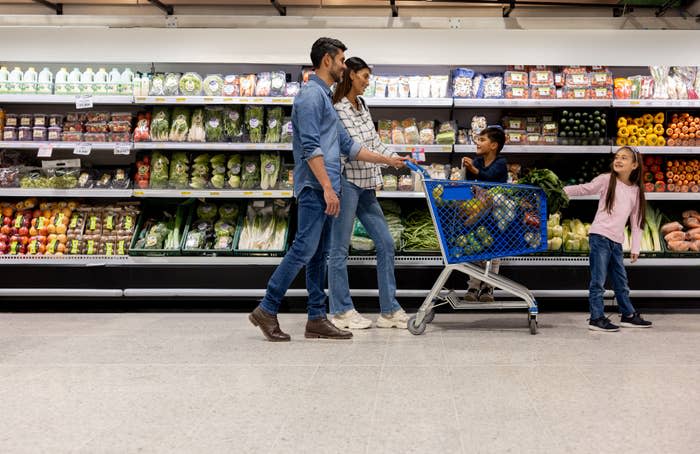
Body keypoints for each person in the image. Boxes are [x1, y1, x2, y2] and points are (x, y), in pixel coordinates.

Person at [248, 37, 407, 342]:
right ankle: (267, 307)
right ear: (327, 61)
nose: (344, 66)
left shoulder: (326, 97)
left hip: (327, 186)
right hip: (314, 187)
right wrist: (327, 188)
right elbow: (310, 147)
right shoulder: (310, 97)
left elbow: (348, 146)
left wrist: (388, 160)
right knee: (303, 249)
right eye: (341, 60)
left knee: (318, 254)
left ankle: (316, 317)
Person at [328, 57, 410, 330]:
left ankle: (388, 310)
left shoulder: (363, 106)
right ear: (351, 75)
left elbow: (374, 142)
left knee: (386, 243)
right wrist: (387, 162)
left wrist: (395, 157)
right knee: (339, 249)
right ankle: (340, 310)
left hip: (366, 186)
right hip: (347, 183)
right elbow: (353, 149)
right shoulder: (338, 109)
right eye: (364, 76)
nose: (367, 81)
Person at [564, 146, 652, 332]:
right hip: (600, 237)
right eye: (617, 157)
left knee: (621, 281)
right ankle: (596, 318)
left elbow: (637, 221)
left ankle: (628, 315)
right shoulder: (606, 180)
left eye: (624, 158)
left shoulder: (635, 190)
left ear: (635, 165)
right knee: (598, 281)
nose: (618, 160)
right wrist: (561, 190)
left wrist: (635, 247)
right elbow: (584, 188)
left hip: (617, 241)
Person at [460, 126, 508, 302]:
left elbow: (490, 177)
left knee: (494, 252)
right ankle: (473, 286)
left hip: (497, 214)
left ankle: (488, 287)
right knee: (475, 248)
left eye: (482, 140)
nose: (477, 143)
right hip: (478, 212)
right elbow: (470, 184)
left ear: (494, 145)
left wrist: (474, 171)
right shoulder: (478, 161)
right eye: (477, 139)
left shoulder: (501, 163)